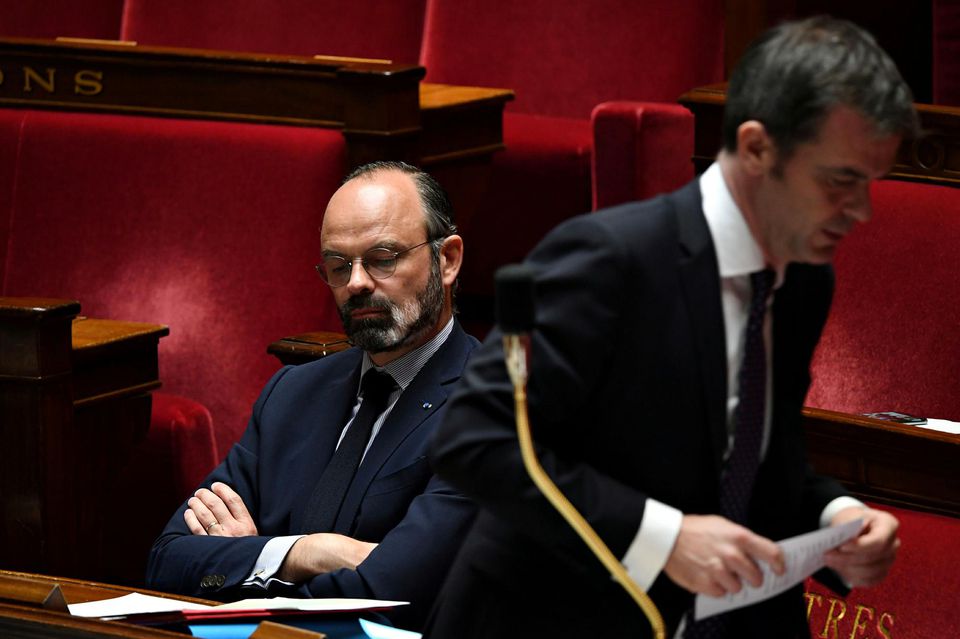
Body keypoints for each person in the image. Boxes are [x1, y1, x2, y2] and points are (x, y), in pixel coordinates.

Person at [426, 17, 918, 639]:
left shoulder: (804, 280)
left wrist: (834, 516)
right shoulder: (613, 258)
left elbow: (755, 457)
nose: (863, 211)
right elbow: (476, 441)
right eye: (840, 181)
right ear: (759, 148)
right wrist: (667, 537)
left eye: (870, 184)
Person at [147, 161, 478, 630]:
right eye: (338, 266)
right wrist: (306, 552)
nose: (357, 283)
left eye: (383, 258)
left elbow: (395, 594)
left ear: (447, 260)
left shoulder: (492, 408)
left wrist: (252, 562)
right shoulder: (293, 393)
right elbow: (169, 559)